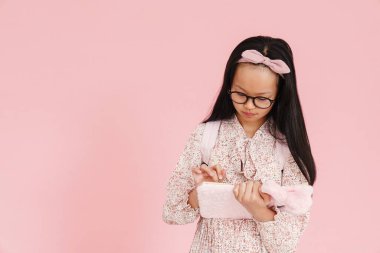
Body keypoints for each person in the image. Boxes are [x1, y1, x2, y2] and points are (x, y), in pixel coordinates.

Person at [162, 35, 317, 253]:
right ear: (229, 86)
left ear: (280, 95)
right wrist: (203, 191)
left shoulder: (287, 146)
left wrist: (258, 209)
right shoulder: (206, 135)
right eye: (240, 94)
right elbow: (171, 213)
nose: (249, 106)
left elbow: (286, 244)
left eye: (262, 98)